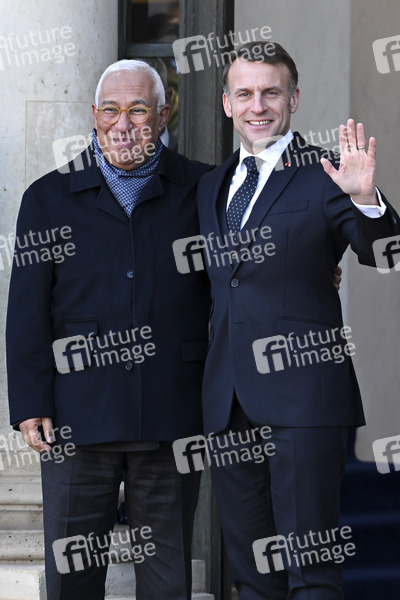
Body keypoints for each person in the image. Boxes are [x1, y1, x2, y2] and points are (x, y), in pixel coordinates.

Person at [196, 41, 399, 599]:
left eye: (271, 92)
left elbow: (385, 254)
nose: (258, 105)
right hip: (228, 405)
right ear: (227, 104)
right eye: (244, 93)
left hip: (306, 403)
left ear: (294, 98)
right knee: (251, 577)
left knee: (310, 573)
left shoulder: (326, 174)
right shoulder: (211, 186)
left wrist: (367, 201)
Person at [6, 59, 211, 600]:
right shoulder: (47, 197)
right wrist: (29, 403)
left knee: (167, 581)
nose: (124, 124)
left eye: (139, 110)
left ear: (163, 115)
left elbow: (235, 283)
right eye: (111, 111)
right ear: (94, 115)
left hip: (172, 412)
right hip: (76, 418)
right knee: (71, 582)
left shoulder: (202, 188)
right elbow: (26, 311)